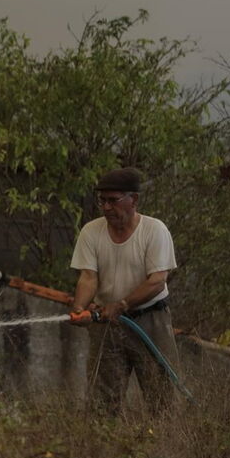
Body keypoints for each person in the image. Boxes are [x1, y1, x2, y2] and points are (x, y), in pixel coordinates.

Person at [70, 167, 179, 414]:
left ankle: (160, 449)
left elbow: (157, 281)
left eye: (113, 200)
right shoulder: (91, 231)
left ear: (134, 200)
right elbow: (88, 277)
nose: (107, 207)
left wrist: (121, 305)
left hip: (150, 320)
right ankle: (102, 447)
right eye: (102, 201)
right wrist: (79, 307)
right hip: (108, 324)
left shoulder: (154, 230)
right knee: (102, 401)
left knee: (161, 397)